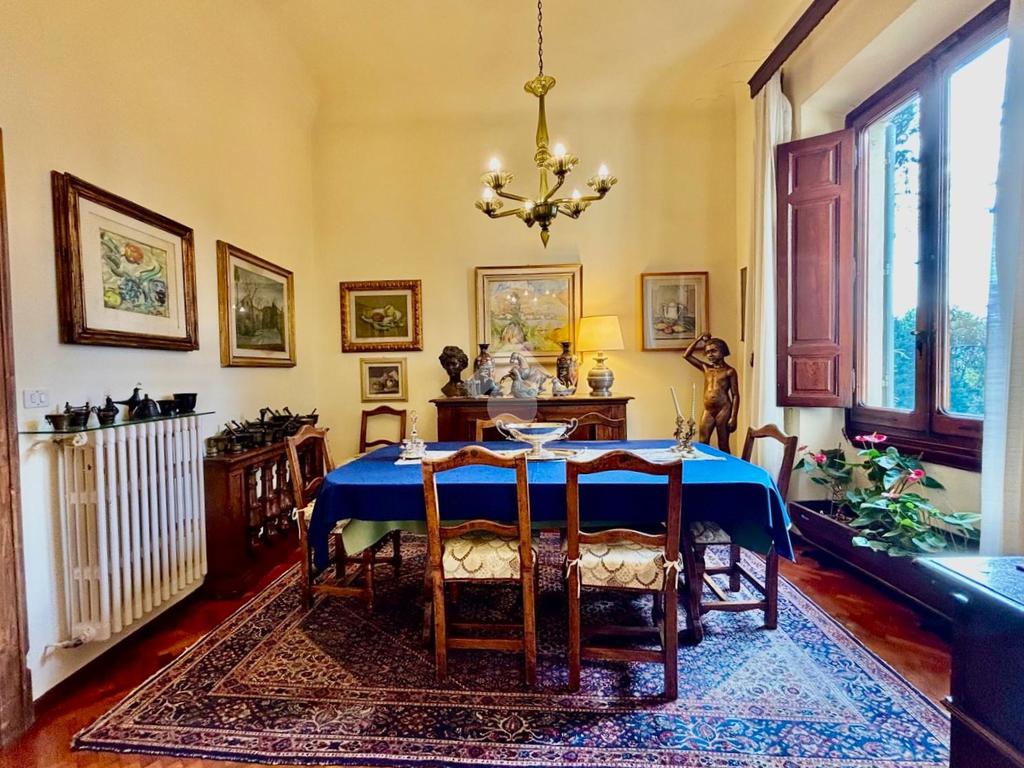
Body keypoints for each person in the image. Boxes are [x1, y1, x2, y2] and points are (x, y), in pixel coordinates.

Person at [682, 332, 739, 454]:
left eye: (714, 351)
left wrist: (734, 417)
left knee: (723, 443)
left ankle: (726, 465)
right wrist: (698, 339)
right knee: (703, 442)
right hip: (708, 410)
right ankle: (705, 464)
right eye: (707, 352)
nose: (710, 355)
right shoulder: (706, 368)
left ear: (723, 352)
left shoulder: (729, 371)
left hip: (724, 409)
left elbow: (735, 395)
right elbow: (686, 355)